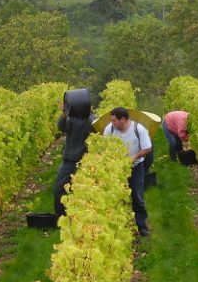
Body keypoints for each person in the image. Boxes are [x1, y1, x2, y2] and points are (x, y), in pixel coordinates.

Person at [103, 107, 153, 236]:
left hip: (136, 167)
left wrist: (135, 157)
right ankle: (120, 225)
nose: (112, 123)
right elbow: (104, 147)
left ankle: (141, 226)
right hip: (116, 168)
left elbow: (147, 148)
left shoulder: (138, 129)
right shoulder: (110, 129)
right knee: (118, 197)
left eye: (114, 120)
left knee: (137, 195)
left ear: (123, 119)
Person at [53, 100, 96, 218]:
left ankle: (81, 217)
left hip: (84, 161)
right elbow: (61, 126)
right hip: (68, 160)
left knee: (83, 190)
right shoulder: (70, 119)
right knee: (59, 189)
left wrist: (86, 114)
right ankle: (61, 216)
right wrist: (64, 112)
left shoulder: (91, 119)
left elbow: (95, 127)